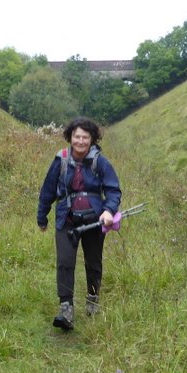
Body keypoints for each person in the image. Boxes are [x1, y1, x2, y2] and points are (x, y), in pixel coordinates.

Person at [37, 117, 122, 330]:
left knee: (94, 263)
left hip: (95, 222)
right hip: (67, 220)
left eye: (85, 137)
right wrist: (42, 217)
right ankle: (66, 309)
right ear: (70, 137)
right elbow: (48, 190)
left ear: (92, 139)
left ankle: (92, 300)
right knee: (65, 262)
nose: (81, 141)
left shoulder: (100, 162)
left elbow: (113, 190)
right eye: (77, 137)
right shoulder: (61, 160)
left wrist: (109, 210)